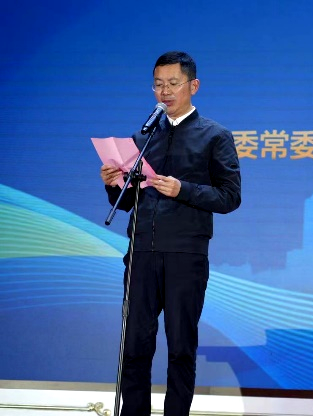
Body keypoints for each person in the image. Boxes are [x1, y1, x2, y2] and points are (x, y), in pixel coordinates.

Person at [100, 51, 241, 416]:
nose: (164, 92)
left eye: (173, 84)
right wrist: (114, 184)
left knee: (180, 348)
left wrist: (183, 189)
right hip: (141, 255)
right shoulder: (143, 138)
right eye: (158, 85)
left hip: (184, 256)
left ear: (193, 86)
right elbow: (127, 202)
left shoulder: (215, 136)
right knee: (134, 347)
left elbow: (230, 197)